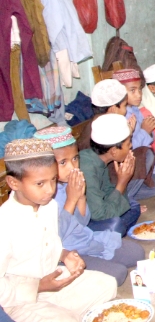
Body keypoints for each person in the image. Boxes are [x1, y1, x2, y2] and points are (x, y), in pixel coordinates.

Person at [0, 138, 116, 322]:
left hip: (51, 285)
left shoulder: (49, 206)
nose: (50, 190)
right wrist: (39, 286)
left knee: (107, 284)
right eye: (40, 184)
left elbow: (48, 244)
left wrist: (65, 255)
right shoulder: (5, 223)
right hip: (19, 301)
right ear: (14, 183)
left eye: (53, 179)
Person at [34, 127, 145, 286]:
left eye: (75, 159)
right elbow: (56, 237)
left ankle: (96, 261)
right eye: (63, 162)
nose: (72, 167)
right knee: (119, 274)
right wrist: (71, 200)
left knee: (137, 253)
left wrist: (80, 198)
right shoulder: (44, 195)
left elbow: (83, 221)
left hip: (85, 239)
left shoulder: (68, 182)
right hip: (66, 250)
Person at [81, 114, 151, 236]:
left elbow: (107, 191)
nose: (131, 147)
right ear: (113, 151)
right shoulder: (87, 167)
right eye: (128, 144)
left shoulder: (99, 159)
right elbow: (99, 214)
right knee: (116, 225)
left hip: (100, 208)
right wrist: (122, 182)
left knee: (133, 205)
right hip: (87, 221)